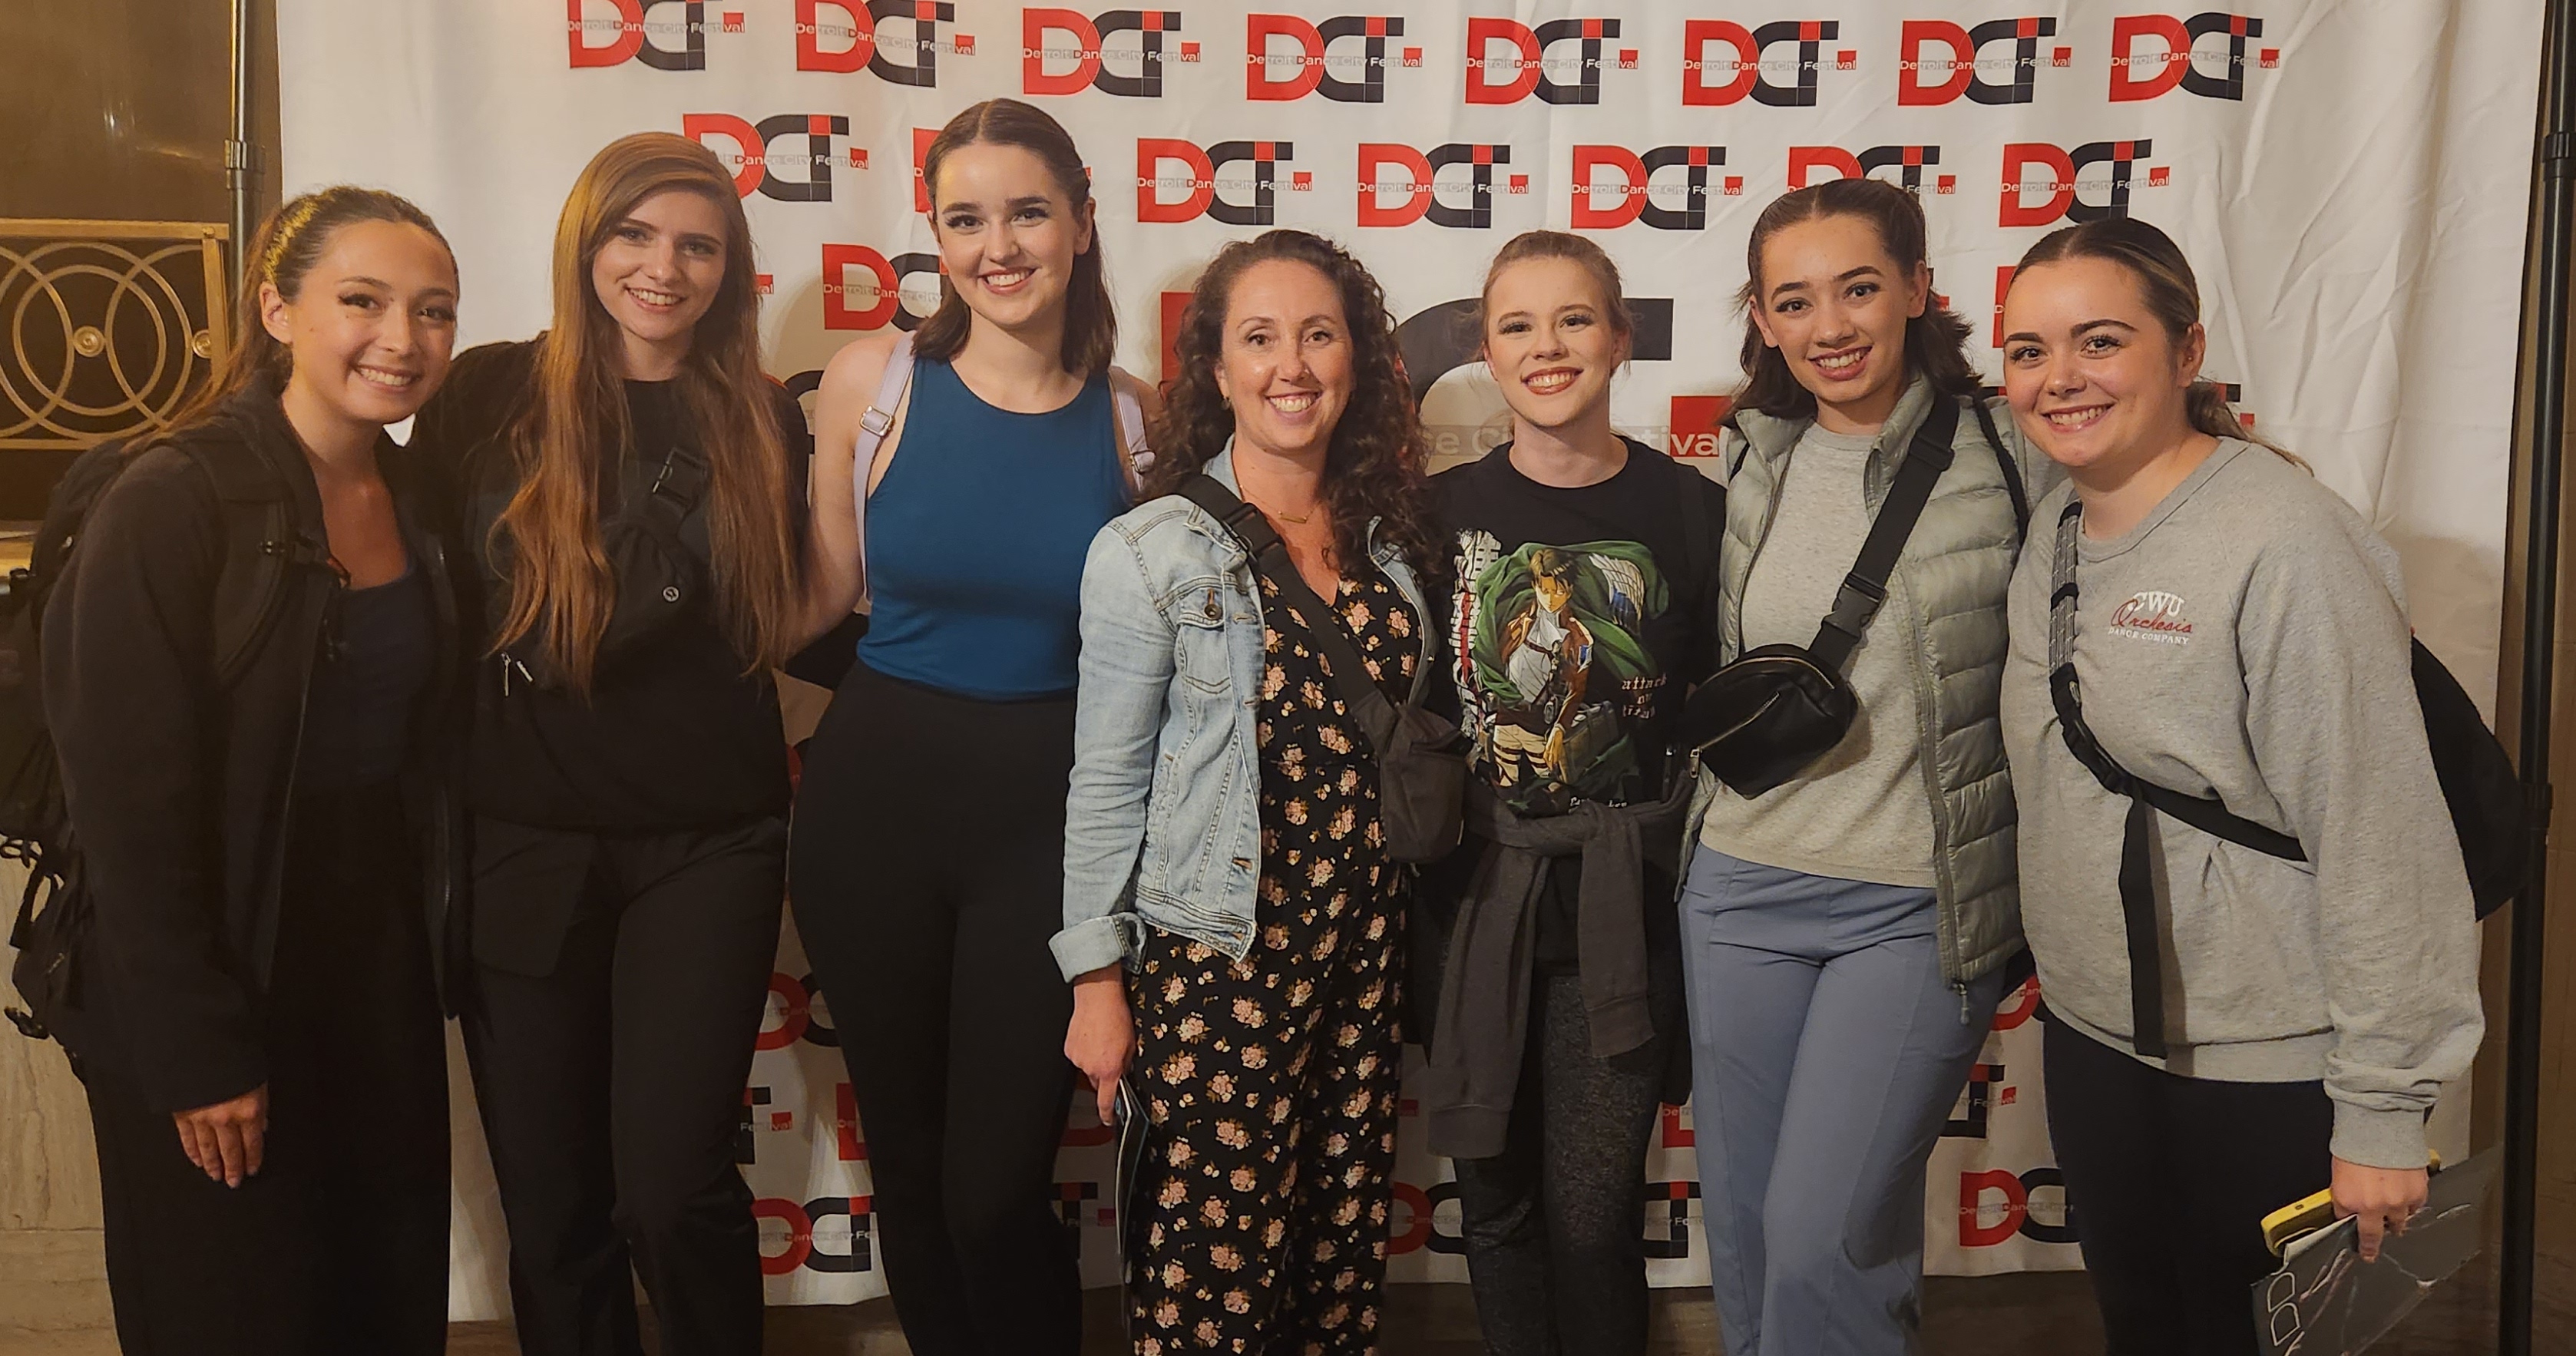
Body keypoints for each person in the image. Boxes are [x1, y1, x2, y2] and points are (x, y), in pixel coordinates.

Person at [1995, 217, 2483, 1356]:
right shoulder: (2057, 525)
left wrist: (2379, 1108)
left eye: (2099, 341)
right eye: (2028, 350)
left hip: (2272, 1068)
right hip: (2099, 1045)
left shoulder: (2288, 542)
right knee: (2150, 1334)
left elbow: (2383, 833)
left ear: (2186, 348)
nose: (2059, 377)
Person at [408, 131, 809, 1356]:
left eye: (697, 244)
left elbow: (803, 612)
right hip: (522, 842)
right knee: (554, 1203)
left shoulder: (759, 418)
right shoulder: (484, 394)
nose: (663, 267)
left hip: (709, 844)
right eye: (634, 235)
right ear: (586, 243)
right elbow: (417, 603)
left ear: (730, 269)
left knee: (671, 1187)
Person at [43, 186, 462, 1354]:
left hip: (369, 951)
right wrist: (197, 1051)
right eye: (363, 302)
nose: (403, 338)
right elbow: (127, 817)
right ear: (277, 309)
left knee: (379, 1289)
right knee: (233, 1304)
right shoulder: (171, 498)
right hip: (209, 959)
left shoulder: (419, 495)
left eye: (434, 311)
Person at [792, 97, 1156, 1356]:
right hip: (870, 813)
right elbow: (823, 597)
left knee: (994, 1185)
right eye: (965, 218)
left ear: (1082, 223)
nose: (997, 244)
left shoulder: (1132, 419)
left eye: (1027, 212)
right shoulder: (872, 382)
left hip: (1048, 832)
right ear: (936, 238)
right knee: (908, 1157)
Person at [1677, 177, 2057, 1356]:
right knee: (1741, 1227)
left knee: (1822, 1232)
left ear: (1916, 291)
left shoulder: (2008, 450)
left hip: (1913, 905)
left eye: (1857, 288)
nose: (1830, 326)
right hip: (1736, 888)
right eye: (1795, 300)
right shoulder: (1751, 453)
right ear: (1763, 316)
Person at [1057, 228, 1444, 1356]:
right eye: (1260, 338)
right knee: (1210, 1289)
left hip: (1363, 959)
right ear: (1217, 371)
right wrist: (1095, 981)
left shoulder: (1393, 541)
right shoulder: (1150, 550)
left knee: (1336, 1270)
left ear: (1357, 359)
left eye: (1319, 334)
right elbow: (1106, 778)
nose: (1293, 364)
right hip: (1223, 962)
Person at [1414, 230, 1723, 1356]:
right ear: (1487, 353)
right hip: (1473, 904)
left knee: (1594, 1220)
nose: (1548, 347)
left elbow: (1716, 708)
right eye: (1517, 325)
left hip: (1621, 908)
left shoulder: (1692, 511)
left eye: (1575, 318)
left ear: (1621, 335)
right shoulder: (1433, 513)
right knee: (1496, 1211)